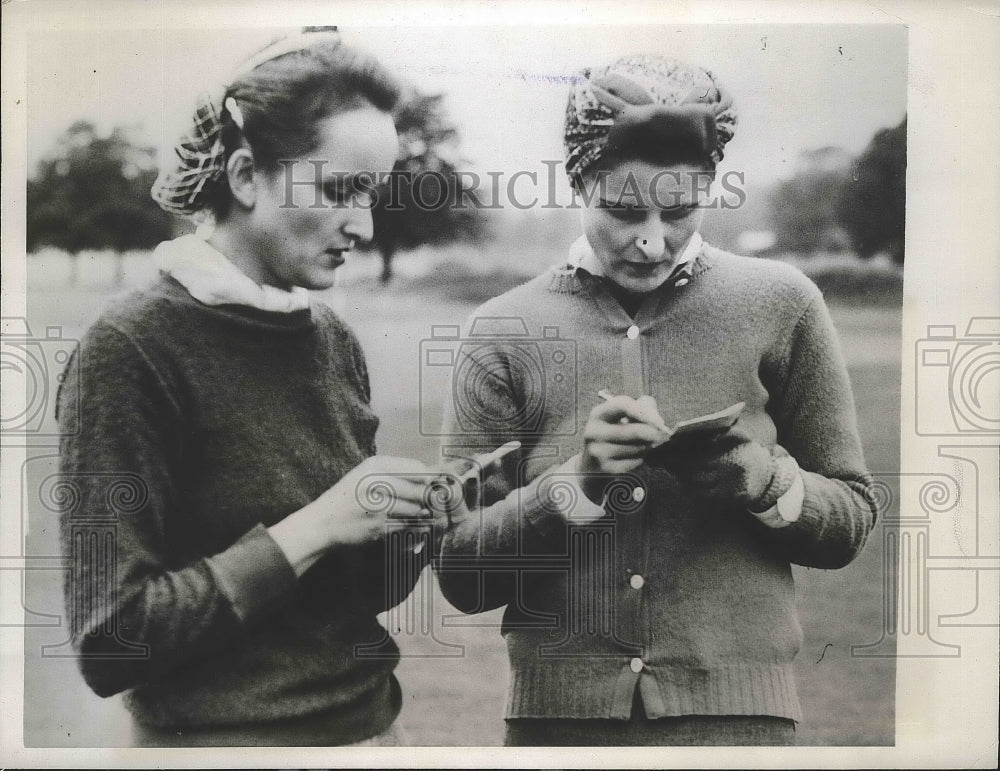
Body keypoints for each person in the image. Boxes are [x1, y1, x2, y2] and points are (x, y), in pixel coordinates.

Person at [434, 54, 879, 746]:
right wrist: (574, 486)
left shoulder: (783, 303)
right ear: (578, 182)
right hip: (560, 729)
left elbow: (852, 514)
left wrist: (764, 483)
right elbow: (461, 572)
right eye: (621, 209)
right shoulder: (500, 330)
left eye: (678, 210)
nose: (651, 238)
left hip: (741, 727)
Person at [56, 30, 435, 747]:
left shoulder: (328, 338)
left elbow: (356, 599)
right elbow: (112, 642)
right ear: (242, 175)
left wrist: (409, 530)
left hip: (376, 733)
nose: (364, 223)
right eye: (339, 189)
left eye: (373, 193)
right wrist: (319, 525)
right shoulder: (132, 348)